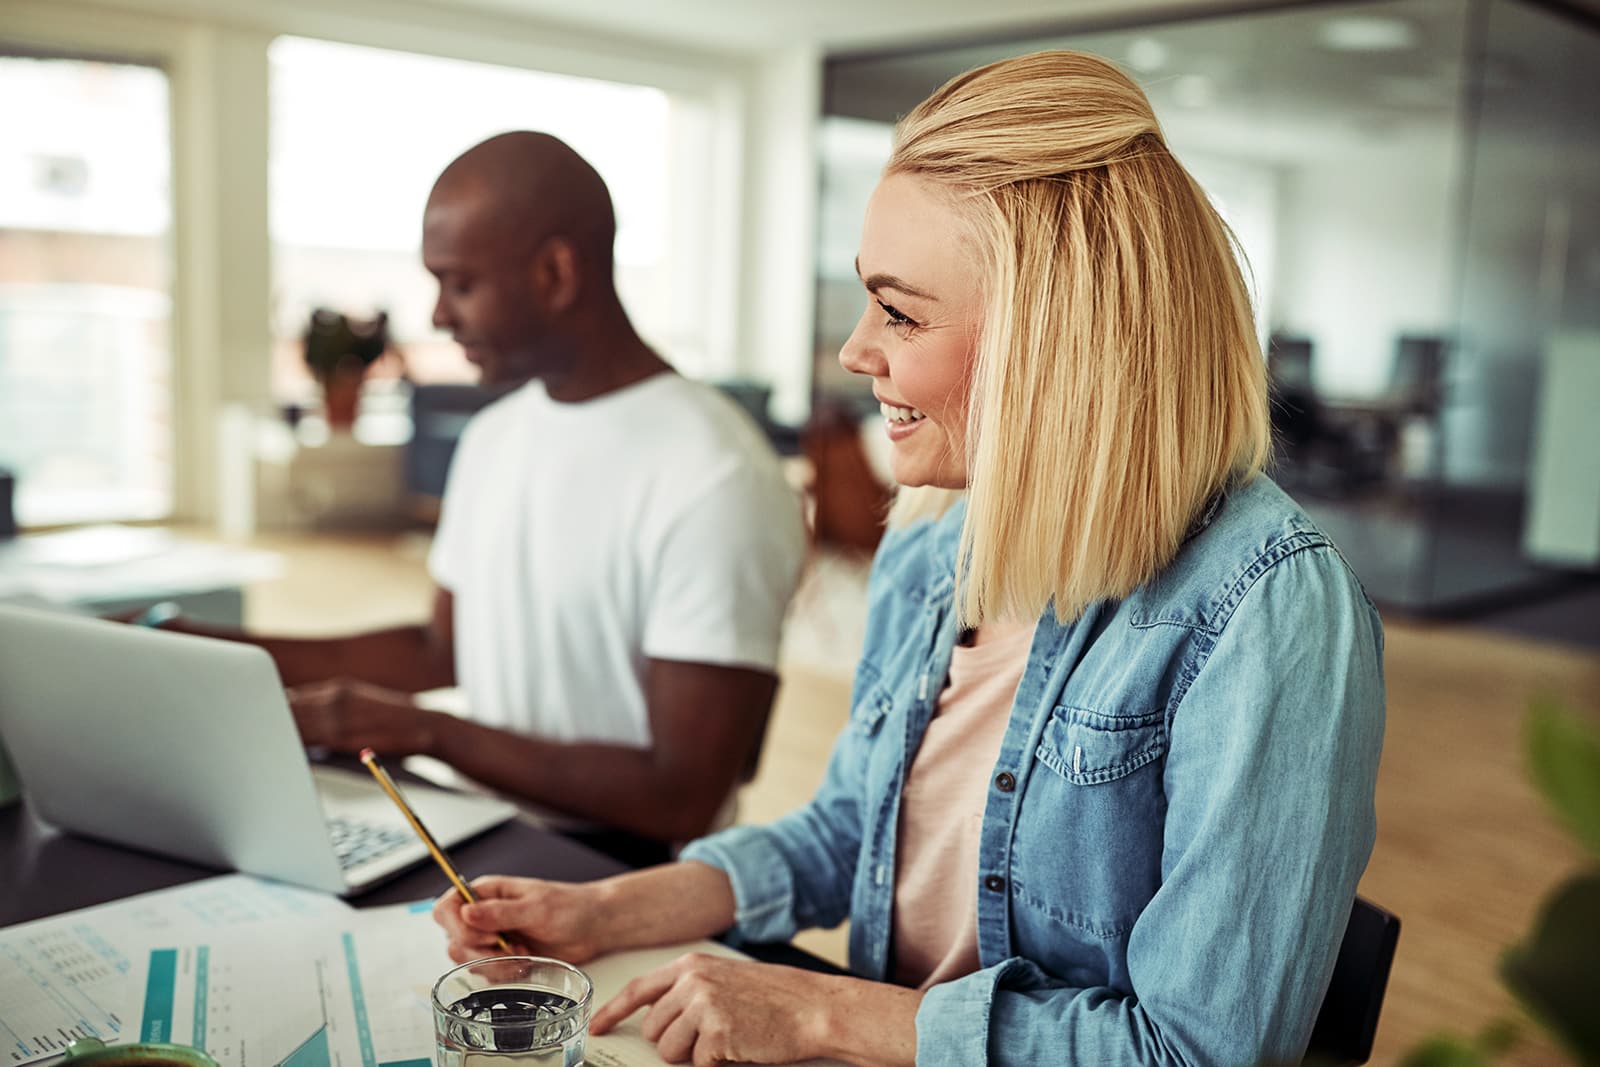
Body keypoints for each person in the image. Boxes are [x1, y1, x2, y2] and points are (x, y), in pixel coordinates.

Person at [433, 51, 1385, 1066]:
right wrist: (606, 910)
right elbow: (851, 827)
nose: (852, 349)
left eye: (898, 310)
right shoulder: (936, 534)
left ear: (1049, 338)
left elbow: (1197, 1050)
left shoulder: (1268, 608)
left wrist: (817, 1011)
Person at [166, 132, 807, 863]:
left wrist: (428, 730)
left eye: (460, 283)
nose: (438, 316)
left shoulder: (715, 472)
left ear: (556, 273)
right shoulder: (496, 435)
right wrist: (205, 647)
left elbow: (681, 793)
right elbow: (445, 649)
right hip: (483, 826)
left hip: (628, 872)